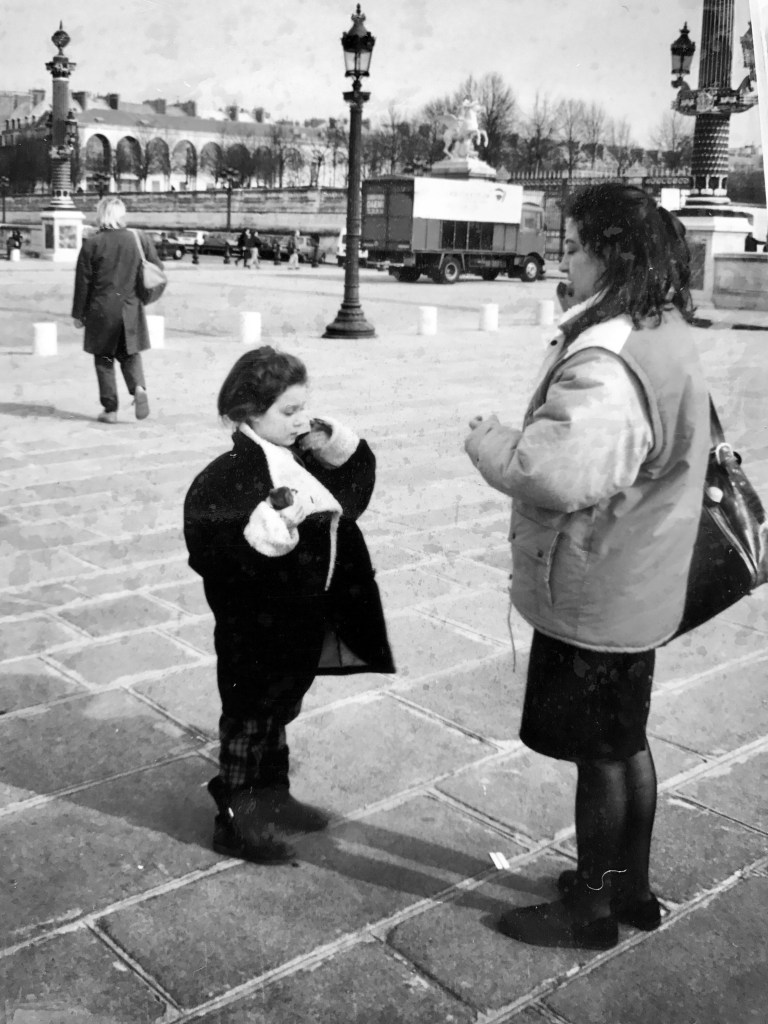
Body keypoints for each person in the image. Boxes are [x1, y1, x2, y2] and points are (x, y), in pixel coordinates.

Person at [464, 183, 710, 951]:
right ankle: (625, 886)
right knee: (624, 742)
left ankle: (592, 911)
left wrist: (488, 440)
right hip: (640, 574)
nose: (562, 258)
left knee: (599, 755)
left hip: (599, 582)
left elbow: (556, 472)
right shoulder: (660, 327)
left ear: (608, 254)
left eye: (573, 245)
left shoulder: (608, 358)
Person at [183, 347, 395, 864]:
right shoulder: (229, 475)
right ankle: (233, 818)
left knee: (277, 710)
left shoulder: (300, 457)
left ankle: (272, 796)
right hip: (255, 629)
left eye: (304, 407)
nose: (300, 420)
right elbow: (211, 553)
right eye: (288, 411)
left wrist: (338, 446)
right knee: (249, 719)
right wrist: (265, 537)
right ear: (247, 413)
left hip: (299, 619)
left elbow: (350, 501)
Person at [72, 196, 162, 424]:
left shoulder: (92, 244)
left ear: (100, 215)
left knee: (104, 360)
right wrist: (144, 296)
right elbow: (157, 270)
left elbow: (83, 283)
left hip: (100, 310)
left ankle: (110, 409)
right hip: (130, 308)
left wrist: (79, 315)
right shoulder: (138, 238)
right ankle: (139, 389)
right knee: (130, 354)